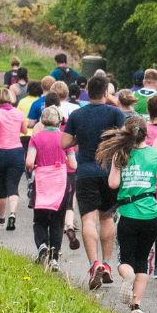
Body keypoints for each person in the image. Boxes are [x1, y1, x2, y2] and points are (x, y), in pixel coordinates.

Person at [99, 114, 157, 313]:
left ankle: (127, 277)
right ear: (145, 134)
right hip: (150, 214)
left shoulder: (120, 154)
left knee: (125, 260)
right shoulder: (155, 155)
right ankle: (136, 305)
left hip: (127, 214)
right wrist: (151, 174)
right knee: (143, 259)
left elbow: (112, 184)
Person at [62, 74, 126, 289]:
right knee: (107, 218)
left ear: (87, 91)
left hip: (86, 172)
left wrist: (80, 137)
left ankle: (94, 264)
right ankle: (107, 264)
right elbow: (125, 139)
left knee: (88, 220)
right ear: (106, 91)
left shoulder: (78, 114)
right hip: (109, 172)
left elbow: (64, 142)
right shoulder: (116, 113)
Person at [25, 105, 77, 264]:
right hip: (60, 182)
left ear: (42, 120)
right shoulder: (65, 139)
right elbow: (74, 165)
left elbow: (29, 162)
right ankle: (54, 258)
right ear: (59, 120)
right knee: (57, 220)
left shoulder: (36, 138)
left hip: (42, 181)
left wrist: (34, 167)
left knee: (40, 219)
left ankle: (42, 245)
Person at [0, 86, 26, 231]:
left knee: (1, 187)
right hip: (16, 151)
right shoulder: (19, 113)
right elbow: (23, 130)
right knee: (13, 186)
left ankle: (2, 215)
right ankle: (12, 213)